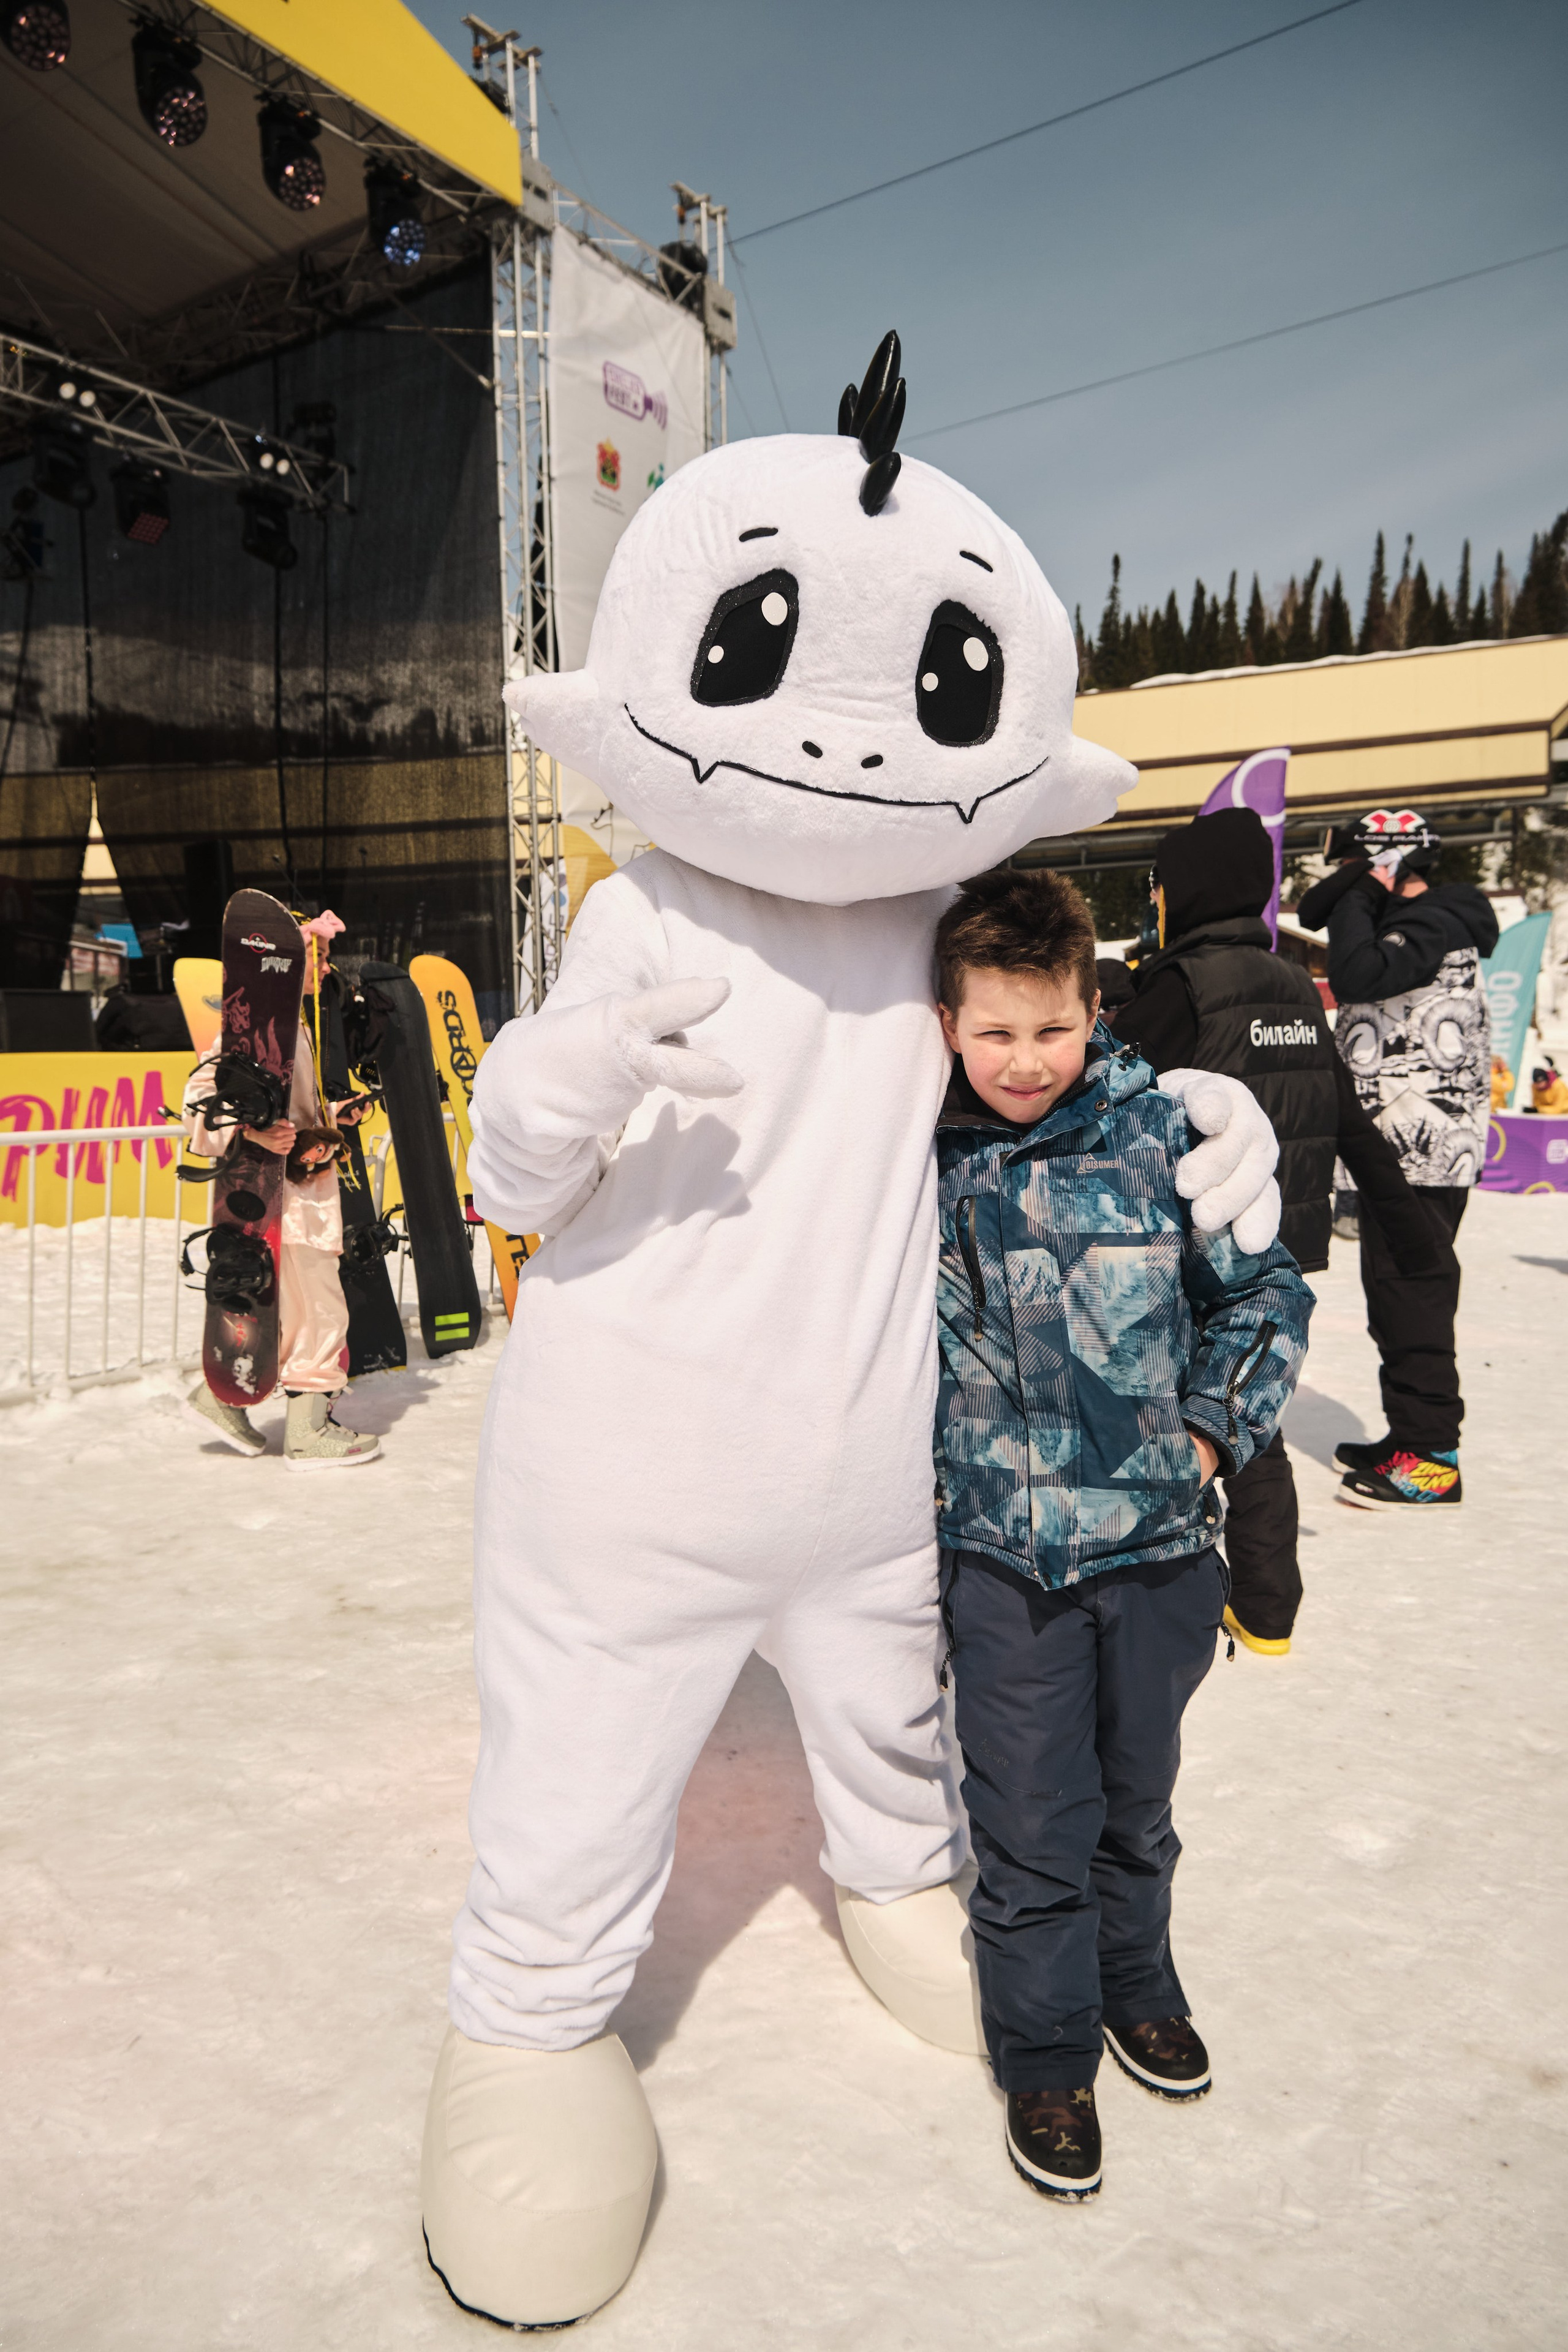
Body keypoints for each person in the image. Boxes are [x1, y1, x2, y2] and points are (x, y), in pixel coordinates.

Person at [932, 866, 1311, 2201]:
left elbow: (1262, 1297)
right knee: (1031, 1821)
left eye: (1050, 1027)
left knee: (1134, 1806)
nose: (1024, 1060)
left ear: (1092, 1007)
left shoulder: (1158, 1134)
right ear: (945, 1027)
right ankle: (1042, 2051)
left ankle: (1136, 1982)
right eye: (993, 1032)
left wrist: (1207, 1432)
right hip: (1006, 1568)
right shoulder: (917, 1162)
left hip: (1155, 1557)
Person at [1107, 810, 1334, 1654]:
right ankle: (1271, 1602)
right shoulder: (1288, 978)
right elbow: (1334, 1098)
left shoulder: (1184, 983)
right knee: (1260, 1404)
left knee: (1236, 1412)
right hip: (1291, 1221)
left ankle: (1263, 1600)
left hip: (1211, 1225)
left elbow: (1115, 1083)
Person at [1297, 811, 1496, 1510]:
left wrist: (1365, 886)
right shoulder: (1422, 920)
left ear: (1389, 864)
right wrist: (1360, 881)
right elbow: (1317, 912)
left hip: (1422, 1149)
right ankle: (1410, 1437)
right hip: (1404, 1149)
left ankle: (1433, 1460)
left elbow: (1352, 974)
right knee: (1396, 1294)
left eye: (1359, 867)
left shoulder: (1432, 922)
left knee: (1413, 1295)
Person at [183, 911, 380, 1469]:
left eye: (321, 954)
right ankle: (308, 1434)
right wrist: (251, 1130)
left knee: (286, 1316)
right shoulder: (246, 1027)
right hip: (285, 1206)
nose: (324, 965)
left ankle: (217, 1398)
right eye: (312, 954)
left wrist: (335, 1116)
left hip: (296, 1196)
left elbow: (290, 1118)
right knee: (318, 1315)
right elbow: (199, 1104)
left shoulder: (295, 1027)